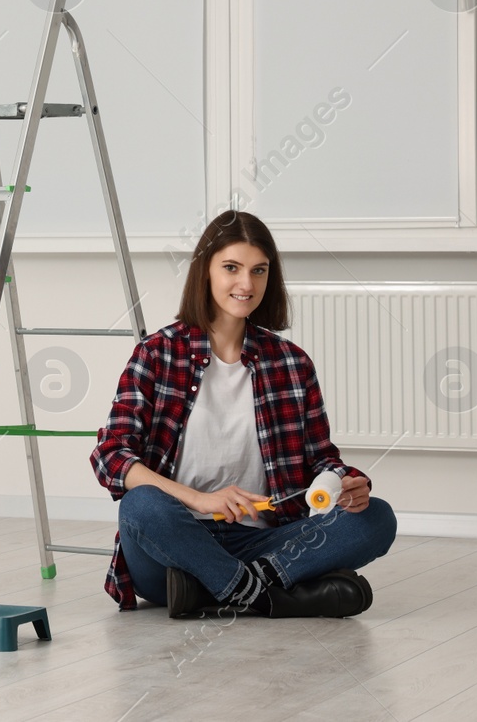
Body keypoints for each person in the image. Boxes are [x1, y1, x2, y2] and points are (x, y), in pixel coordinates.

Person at [89, 210, 397, 618]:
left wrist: (345, 484)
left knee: (376, 518)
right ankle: (273, 594)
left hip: (264, 540)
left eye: (259, 270)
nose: (246, 284)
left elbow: (322, 461)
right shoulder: (158, 353)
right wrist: (200, 499)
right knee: (141, 506)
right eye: (231, 268)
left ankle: (220, 587)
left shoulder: (291, 363)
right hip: (173, 544)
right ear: (205, 272)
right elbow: (112, 455)